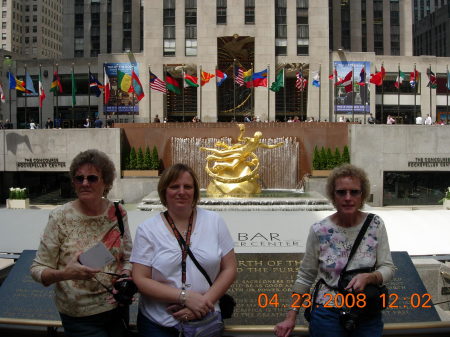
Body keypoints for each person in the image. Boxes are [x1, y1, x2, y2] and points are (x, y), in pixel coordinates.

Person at [275, 164, 395, 337]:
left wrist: (370, 277)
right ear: (333, 195)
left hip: (366, 310)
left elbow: (388, 267)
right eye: (341, 192)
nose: (348, 197)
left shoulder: (375, 225)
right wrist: (291, 316)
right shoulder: (319, 230)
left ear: (362, 195)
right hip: (327, 313)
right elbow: (306, 275)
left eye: (354, 192)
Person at [30, 149, 133, 337]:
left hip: (117, 311)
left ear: (106, 183)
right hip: (79, 317)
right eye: (79, 178)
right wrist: (64, 274)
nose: (85, 183)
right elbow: (37, 269)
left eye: (92, 178)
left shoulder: (118, 212)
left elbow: (128, 257)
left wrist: (125, 276)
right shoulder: (60, 217)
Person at [131, 163, 237, 336]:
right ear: (164, 191)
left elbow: (229, 268)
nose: (182, 191)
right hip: (158, 323)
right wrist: (185, 297)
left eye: (187, 186)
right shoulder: (147, 229)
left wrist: (202, 304)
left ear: (195, 191)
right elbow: (140, 278)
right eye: (174, 186)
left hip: (205, 317)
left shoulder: (214, 221)